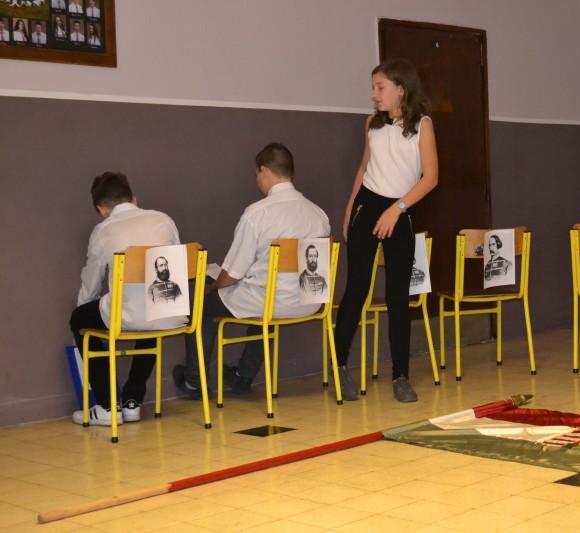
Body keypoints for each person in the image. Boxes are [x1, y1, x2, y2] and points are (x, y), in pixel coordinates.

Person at [173, 143, 330, 398]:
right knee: (265, 298)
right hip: (310, 303)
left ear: (264, 171)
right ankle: (242, 377)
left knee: (202, 306)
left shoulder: (257, 213)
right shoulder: (318, 214)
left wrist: (215, 288)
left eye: (257, 174)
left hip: (269, 302)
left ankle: (195, 382)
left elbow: (233, 273)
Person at [334, 58, 438, 403]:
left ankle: (401, 376)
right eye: (373, 88)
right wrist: (350, 209)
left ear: (401, 90)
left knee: (397, 295)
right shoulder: (372, 123)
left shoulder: (422, 125)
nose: (374, 95)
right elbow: (364, 167)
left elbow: (431, 178)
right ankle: (339, 367)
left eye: (380, 88)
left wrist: (398, 208)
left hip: (400, 209)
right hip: (367, 205)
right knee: (357, 289)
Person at [70, 172, 186, 426]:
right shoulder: (163, 220)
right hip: (169, 310)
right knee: (151, 315)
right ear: (133, 198)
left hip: (128, 316)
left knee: (79, 318)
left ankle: (107, 405)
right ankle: (133, 399)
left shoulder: (103, 230)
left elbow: (91, 282)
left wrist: (83, 306)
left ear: (101, 209)